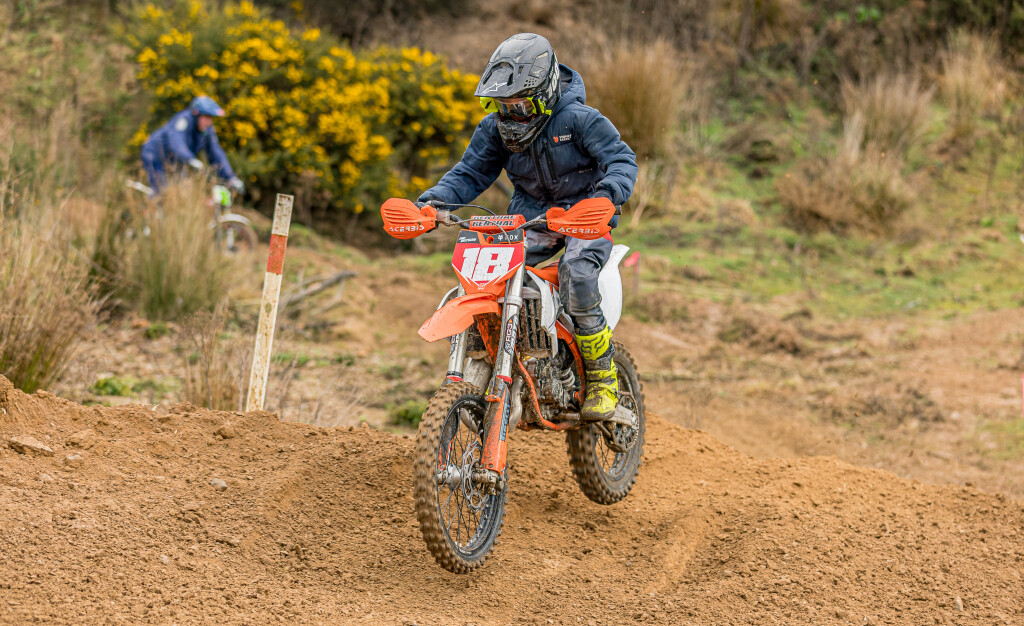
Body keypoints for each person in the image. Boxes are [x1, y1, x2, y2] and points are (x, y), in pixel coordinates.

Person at [418, 33, 638, 421]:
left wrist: (605, 198)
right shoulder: (494, 129)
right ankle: (516, 357)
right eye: (501, 105)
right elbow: (470, 173)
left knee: (577, 274)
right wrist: (433, 203)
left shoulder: (580, 120)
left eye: (520, 105)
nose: (511, 115)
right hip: (530, 219)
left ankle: (602, 379)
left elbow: (622, 161)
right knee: (489, 275)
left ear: (546, 91)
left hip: (584, 218)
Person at [140, 95, 245, 196]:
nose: (209, 121)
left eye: (211, 118)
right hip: (155, 156)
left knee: (182, 193)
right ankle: (151, 206)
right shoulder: (183, 120)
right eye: (206, 117)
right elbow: (177, 143)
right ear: (196, 114)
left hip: (175, 162)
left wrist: (230, 178)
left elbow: (216, 153)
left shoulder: (207, 130)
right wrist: (190, 160)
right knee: (162, 191)